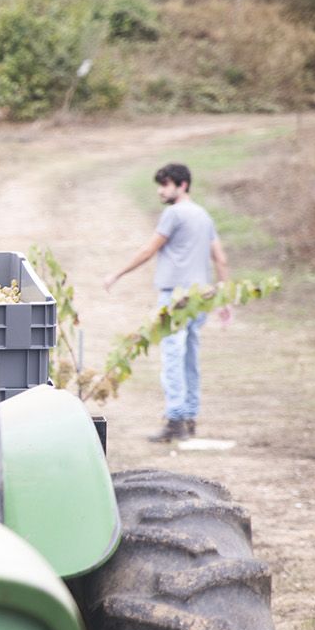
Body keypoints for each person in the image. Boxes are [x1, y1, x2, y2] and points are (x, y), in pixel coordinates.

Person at [104, 162, 232, 442]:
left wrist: (117, 274)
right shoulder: (203, 215)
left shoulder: (173, 214)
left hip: (175, 295)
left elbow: (149, 249)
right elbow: (220, 258)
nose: (161, 191)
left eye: (165, 184)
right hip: (201, 296)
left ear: (182, 185)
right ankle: (189, 416)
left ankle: (175, 420)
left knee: (172, 357)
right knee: (190, 357)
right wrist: (224, 298)